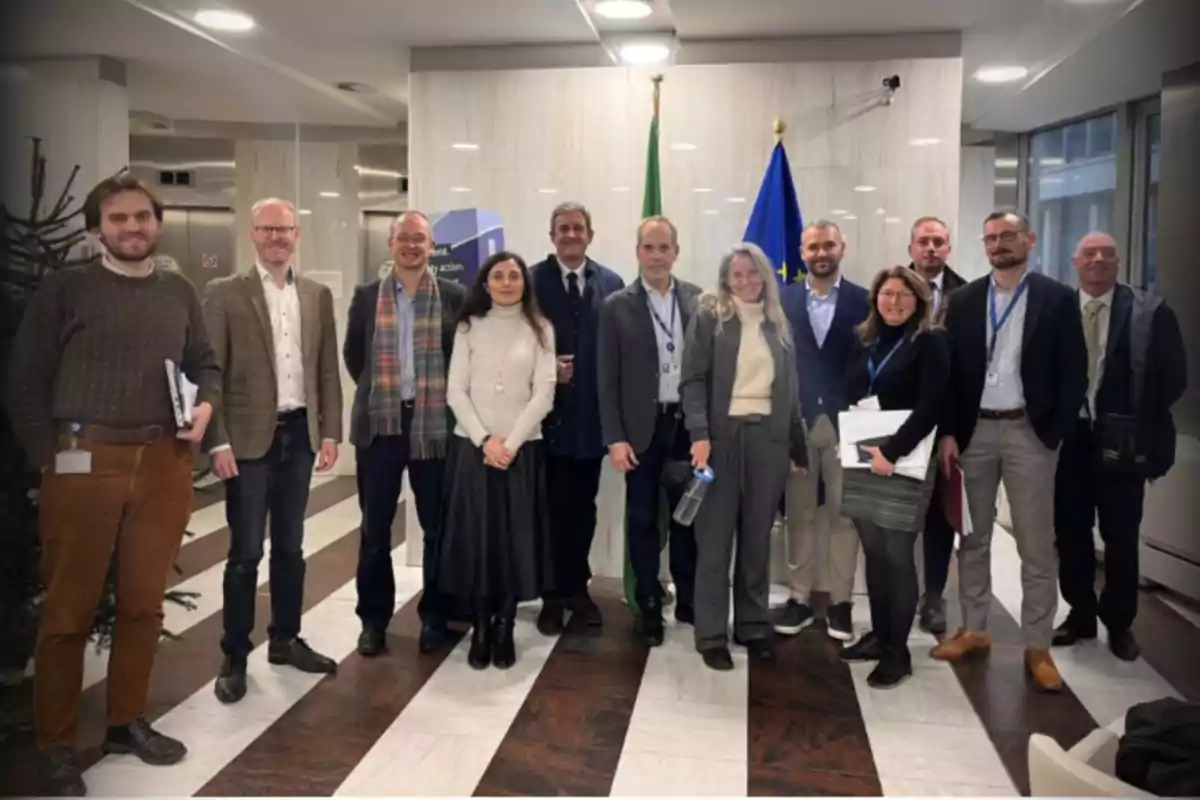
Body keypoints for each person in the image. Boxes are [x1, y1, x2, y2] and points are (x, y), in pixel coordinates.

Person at [7, 174, 220, 796]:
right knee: (69, 611)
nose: (133, 228)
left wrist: (205, 405)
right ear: (96, 227)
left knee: (142, 603)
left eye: (143, 217)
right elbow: (24, 381)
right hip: (83, 457)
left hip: (163, 460)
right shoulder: (66, 289)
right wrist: (49, 461)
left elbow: (203, 361)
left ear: (157, 222)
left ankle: (126, 721)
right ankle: (55, 743)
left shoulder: (177, 289)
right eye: (119, 218)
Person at [934, 209, 1087, 692]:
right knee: (972, 537)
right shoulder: (963, 300)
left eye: (1008, 236)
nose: (999, 244)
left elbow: (1075, 372)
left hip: (1029, 432)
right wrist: (949, 433)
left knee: (1035, 544)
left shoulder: (1057, 299)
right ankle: (975, 627)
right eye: (991, 237)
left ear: (1030, 239)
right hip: (974, 431)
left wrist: (1053, 433)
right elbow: (952, 373)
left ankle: (1037, 645)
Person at [202, 198, 343, 704]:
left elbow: (326, 366)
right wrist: (215, 438)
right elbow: (209, 372)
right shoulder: (223, 293)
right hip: (245, 441)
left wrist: (330, 431)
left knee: (290, 546)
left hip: (299, 435)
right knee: (244, 554)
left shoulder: (316, 294)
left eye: (285, 229)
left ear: (297, 234)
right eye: (268, 229)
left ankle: (284, 639)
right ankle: (234, 654)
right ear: (253, 234)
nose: (277, 237)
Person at [1052, 232, 1186, 661]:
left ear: (1118, 263)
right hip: (1069, 440)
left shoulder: (1150, 312)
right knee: (1070, 531)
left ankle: (1120, 622)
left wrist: (1135, 419)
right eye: (1088, 254)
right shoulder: (1059, 310)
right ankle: (1080, 613)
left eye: (1106, 254)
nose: (1097, 260)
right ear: (1075, 262)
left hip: (1123, 442)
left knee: (1121, 534)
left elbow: (1173, 376)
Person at [680, 243, 808, 671]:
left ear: (765, 276)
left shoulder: (777, 322)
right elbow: (693, 380)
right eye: (737, 274)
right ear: (725, 279)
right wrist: (698, 433)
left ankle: (752, 625)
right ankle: (711, 634)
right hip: (720, 439)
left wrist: (796, 444)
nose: (746, 281)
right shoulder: (710, 317)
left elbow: (789, 390)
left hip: (768, 441)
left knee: (756, 541)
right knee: (715, 543)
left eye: (753, 273)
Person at [345, 210, 466, 657]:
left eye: (420, 239)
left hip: (434, 427)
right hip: (382, 428)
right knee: (375, 528)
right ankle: (373, 621)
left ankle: (436, 618)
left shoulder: (455, 296)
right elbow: (355, 358)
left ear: (432, 247)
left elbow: (462, 360)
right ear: (390, 244)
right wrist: (388, 397)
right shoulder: (365, 297)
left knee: (437, 527)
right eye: (403, 238)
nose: (411, 246)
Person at [437, 252, 557, 669]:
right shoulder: (469, 327)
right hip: (473, 450)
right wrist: (486, 440)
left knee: (512, 542)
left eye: (515, 276)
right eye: (498, 276)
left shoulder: (541, 329)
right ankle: (482, 627)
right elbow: (455, 392)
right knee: (478, 541)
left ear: (525, 283)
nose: (507, 282)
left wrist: (511, 444)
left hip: (522, 452)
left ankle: (505, 624)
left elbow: (545, 393)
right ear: (485, 284)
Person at [838, 266, 949, 688]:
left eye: (904, 294)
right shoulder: (863, 338)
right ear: (875, 299)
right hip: (865, 456)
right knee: (875, 552)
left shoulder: (930, 341)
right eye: (887, 294)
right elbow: (849, 388)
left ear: (918, 300)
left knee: (897, 555)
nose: (895, 301)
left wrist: (891, 451)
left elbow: (932, 405)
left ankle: (898, 653)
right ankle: (881, 636)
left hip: (905, 459)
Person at [597, 216, 702, 646]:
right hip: (640, 429)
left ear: (676, 252)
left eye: (664, 248)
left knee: (687, 519)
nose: (657, 256)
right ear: (637, 252)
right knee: (641, 519)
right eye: (649, 248)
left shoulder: (699, 300)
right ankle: (648, 604)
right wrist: (615, 437)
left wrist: (705, 430)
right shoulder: (616, 305)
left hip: (686, 426)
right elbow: (606, 379)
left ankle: (691, 598)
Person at [529, 202, 625, 634]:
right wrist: (547, 369)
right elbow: (517, 344)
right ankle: (550, 594)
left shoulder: (612, 282)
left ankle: (577, 589)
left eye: (578, 228)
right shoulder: (531, 281)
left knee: (583, 509)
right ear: (552, 236)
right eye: (563, 229)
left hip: (591, 420)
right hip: (543, 421)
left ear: (590, 234)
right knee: (550, 509)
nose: (571, 235)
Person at [775, 220, 870, 642]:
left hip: (845, 424)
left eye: (828, 245)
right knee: (798, 514)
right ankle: (798, 598)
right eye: (813, 246)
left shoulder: (865, 301)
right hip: (796, 424)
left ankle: (840, 602)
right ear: (802, 251)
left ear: (842, 248)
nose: (821, 253)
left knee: (842, 516)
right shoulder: (781, 299)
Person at [906, 216, 967, 635]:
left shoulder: (968, 295)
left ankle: (933, 598)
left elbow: (968, 370)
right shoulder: (890, 289)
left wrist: (952, 430)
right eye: (923, 241)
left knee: (939, 518)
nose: (931, 248)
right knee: (896, 514)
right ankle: (899, 593)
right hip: (898, 423)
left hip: (944, 425)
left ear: (949, 248)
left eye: (939, 242)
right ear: (910, 247)